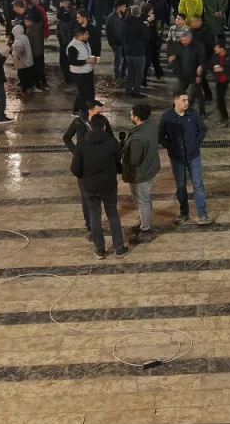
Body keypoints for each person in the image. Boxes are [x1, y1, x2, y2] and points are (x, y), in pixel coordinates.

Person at [72, 113, 128, 259]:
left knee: (94, 216)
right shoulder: (112, 142)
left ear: (90, 127)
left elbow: (75, 168)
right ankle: (119, 247)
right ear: (104, 127)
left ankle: (100, 249)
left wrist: (84, 177)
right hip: (109, 186)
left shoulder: (81, 145)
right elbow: (118, 163)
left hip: (90, 187)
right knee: (113, 214)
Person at [158, 91, 212, 225]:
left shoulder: (193, 114)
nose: (187, 102)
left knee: (198, 185)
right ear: (175, 101)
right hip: (177, 158)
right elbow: (160, 136)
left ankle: (203, 214)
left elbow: (202, 129)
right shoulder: (167, 117)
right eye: (183, 100)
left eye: (187, 100)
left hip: (193, 156)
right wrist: (171, 147)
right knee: (181, 186)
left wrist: (196, 143)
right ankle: (184, 212)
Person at [121, 103, 161, 244]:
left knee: (142, 202)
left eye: (131, 114)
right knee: (145, 200)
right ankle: (146, 224)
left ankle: (145, 230)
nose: (130, 116)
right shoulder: (151, 125)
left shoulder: (138, 138)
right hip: (151, 168)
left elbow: (134, 160)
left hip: (141, 174)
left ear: (137, 118)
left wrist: (123, 153)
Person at [66, 27, 98, 114]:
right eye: (86, 34)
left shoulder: (84, 42)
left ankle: (88, 109)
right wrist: (86, 61)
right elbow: (72, 61)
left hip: (88, 71)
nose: (88, 35)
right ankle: (81, 111)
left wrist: (91, 60)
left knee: (89, 92)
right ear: (81, 35)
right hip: (79, 74)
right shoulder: (72, 47)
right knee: (83, 93)